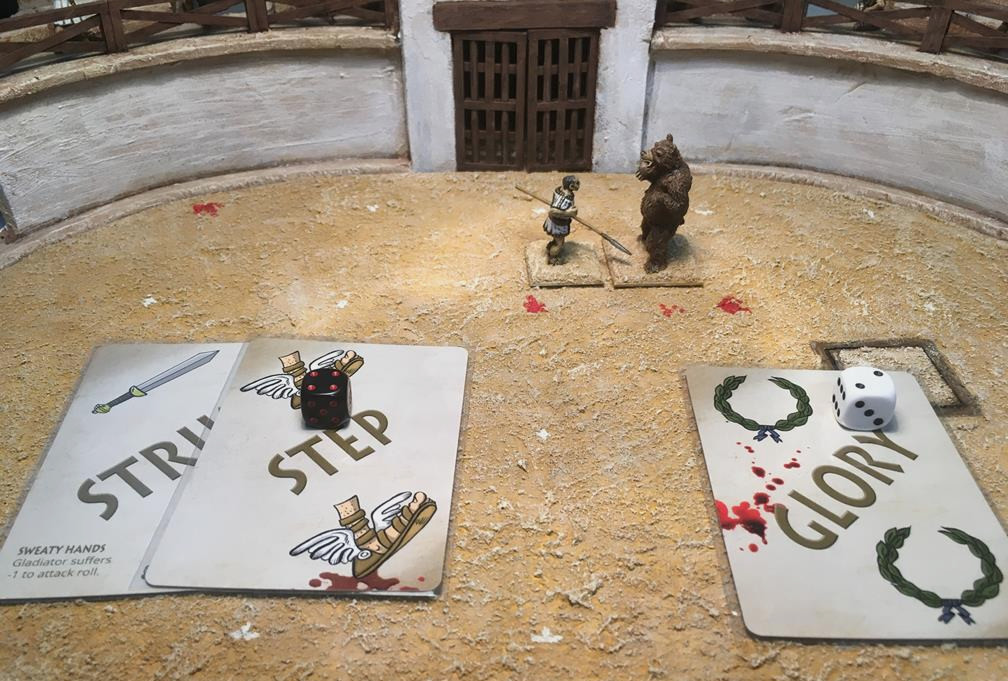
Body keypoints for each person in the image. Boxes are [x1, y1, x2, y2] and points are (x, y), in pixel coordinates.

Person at [542, 175, 579, 265]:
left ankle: (551, 246)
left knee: (557, 240)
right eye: (577, 183)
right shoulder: (565, 197)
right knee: (560, 243)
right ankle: (553, 258)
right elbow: (553, 211)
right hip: (558, 224)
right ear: (571, 186)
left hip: (558, 222)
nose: (579, 185)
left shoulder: (559, 190)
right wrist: (569, 213)